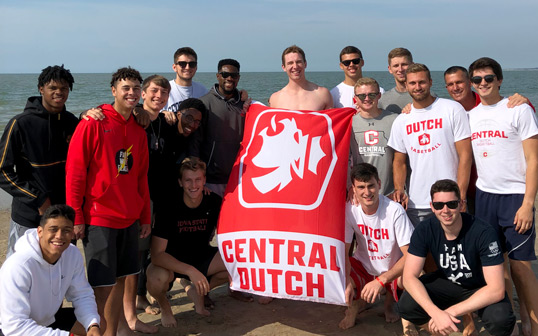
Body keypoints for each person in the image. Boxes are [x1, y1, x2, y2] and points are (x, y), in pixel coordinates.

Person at [65, 67, 151, 336]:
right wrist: (76, 217)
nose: (131, 93)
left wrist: (145, 216)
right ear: (113, 90)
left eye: (136, 88)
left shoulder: (139, 129)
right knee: (101, 290)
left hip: (129, 218)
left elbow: (141, 178)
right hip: (99, 218)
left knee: (119, 283)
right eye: (126, 88)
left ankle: (110, 334)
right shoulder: (93, 122)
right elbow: (75, 173)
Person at [468, 57, 538, 336]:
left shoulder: (518, 110)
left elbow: (533, 159)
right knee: (498, 267)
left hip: (515, 196)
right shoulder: (469, 116)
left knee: (521, 267)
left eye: (488, 78)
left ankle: (533, 326)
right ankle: (510, 325)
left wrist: (528, 203)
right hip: (485, 197)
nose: (483, 84)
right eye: (477, 80)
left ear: (499, 80)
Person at [398, 179, 515, 336]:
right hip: (446, 282)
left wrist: (451, 311)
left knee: (501, 319)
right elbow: (409, 277)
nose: (445, 210)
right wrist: (436, 313)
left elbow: (496, 289)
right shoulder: (425, 229)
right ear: (432, 207)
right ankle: (438, 328)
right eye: (439, 205)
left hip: (478, 286)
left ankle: (510, 329)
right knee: (406, 304)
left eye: (451, 204)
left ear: (460, 204)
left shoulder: (483, 232)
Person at [0, 65, 79, 257]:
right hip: (29, 214)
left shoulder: (73, 123)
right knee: (21, 264)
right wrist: (38, 199)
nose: (59, 92)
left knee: (61, 267)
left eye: (64, 88)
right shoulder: (20, 124)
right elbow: (2, 171)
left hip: (65, 212)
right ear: (41, 88)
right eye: (53, 88)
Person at [146, 157, 229, 327]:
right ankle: (165, 307)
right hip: (172, 262)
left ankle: (200, 293)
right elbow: (157, 255)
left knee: (236, 265)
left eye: (198, 179)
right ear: (180, 182)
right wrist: (190, 271)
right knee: (155, 278)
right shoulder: (168, 205)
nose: (193, 185)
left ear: (205, 180)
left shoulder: (213, 201)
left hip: (201, 256)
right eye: (188, 180)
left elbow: (229, 234)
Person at [387, 63, 472, 226]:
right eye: (412, 83)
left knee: (455, 249)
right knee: (421, 251)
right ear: (406, 85)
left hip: (450, 200)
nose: (417, 87)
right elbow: (399, 161)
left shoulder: (452, 109)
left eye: (422, 82)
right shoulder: (402, 120)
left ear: (431, 82)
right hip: (417, 203)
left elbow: (465, 155)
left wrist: (460, 196)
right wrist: (399, 189)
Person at [0, 204, 101, 336]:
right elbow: (14, 326)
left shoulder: (72, 254)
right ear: (40, 232)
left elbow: (81, 294)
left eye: (66, 230)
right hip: (9, 329)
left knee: (97, 323)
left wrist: (92, 324)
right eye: (53, 229)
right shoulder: (18, 266)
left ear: (72, 233)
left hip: (47, 320)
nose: (59, 236)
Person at [339, 163, 413, 330]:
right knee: (338, 268)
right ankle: (354, 306)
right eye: (361, 187)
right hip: (365, 266)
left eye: (371, 186)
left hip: (391, 270)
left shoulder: (395, 211)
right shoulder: (350, 210)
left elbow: (410, 255)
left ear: (379, 184)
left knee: (413, 275)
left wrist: (381, 280)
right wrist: (346, 281)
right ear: (354, 189)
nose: (367, 192)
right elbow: (343, 251)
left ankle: (396, 309)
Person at [190, 58, 245, 197]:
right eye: (225, 75)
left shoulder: (245, 105)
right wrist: (198, 177)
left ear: (238, 78)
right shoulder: (204, 103)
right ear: (218, 76)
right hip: (211, 180)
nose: (229, 78)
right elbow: (195, 141)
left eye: (234, 75)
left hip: (239, 178)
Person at [350, 78, 397, 196]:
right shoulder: (350, 123)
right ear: (355, 98)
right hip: (362, 193)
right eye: (362, 96)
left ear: (379, 95)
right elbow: (345, 160)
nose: (367, 99)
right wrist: (350, 187)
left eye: (371, 94)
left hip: (389, 193)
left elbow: (401, 159)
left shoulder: (395, 120)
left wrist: (399, 188)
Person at [269, 45, 333, 110]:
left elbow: (332, 119)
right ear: (284, 67)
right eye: (290, 63)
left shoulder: (322, 94)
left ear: (305, 64)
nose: (295, 66)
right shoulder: (275, 99)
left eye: (298, 62)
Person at [162, 47, 208, 112]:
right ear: (174, 67)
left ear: (196, 67)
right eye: (182, 64)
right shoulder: (165, 90)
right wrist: (163, 113)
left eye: (192, 64)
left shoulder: (203, 91)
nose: (187, 67)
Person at [378, 48, 414, 113]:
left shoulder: (426, 96)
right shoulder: (382, 100)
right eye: (396, 66)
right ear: (390, 69)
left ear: (412, 65)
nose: (400, 69)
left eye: (404, 64)